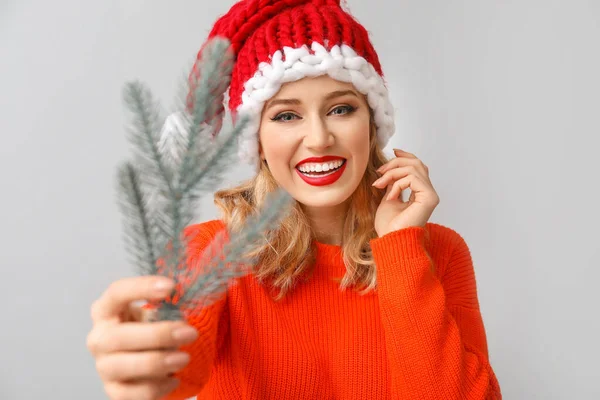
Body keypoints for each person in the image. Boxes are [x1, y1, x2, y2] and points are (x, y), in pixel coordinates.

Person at [86, 0, 502, 399]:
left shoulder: (439, 253)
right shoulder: (211, 254)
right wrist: (143, 355)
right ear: (259, 142)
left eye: (341, 109)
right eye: (287, 115)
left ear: (372, 125)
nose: (319, 139)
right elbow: (173, 372)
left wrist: (401, 249)